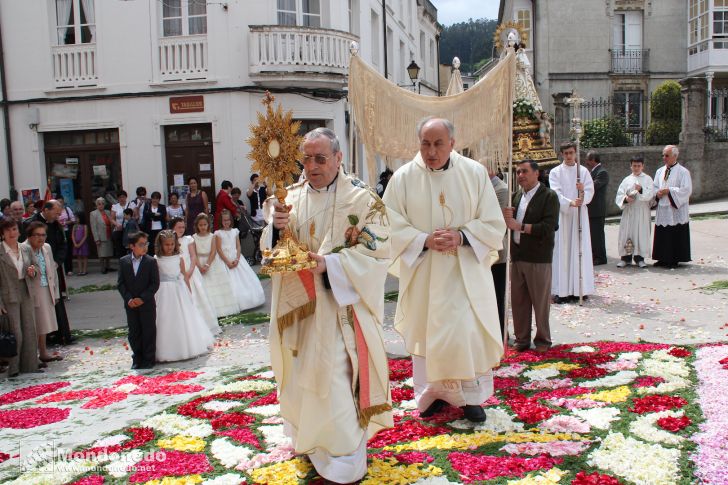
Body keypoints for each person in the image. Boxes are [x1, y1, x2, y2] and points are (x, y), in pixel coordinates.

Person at [263, 127, 392, 483]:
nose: (312, 165)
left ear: (338, 158)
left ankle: (344, 458)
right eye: (306, 158)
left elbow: (379, 251)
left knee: (335, 379)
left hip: (339, 312)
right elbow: (270, 251)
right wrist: (276, 230)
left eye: (321, 158)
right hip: (300, 310)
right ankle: (312, 443)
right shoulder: (289, 198)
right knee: (303, 379)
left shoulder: (363, 200)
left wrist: (329, 265)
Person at [383, 117, 506, 423]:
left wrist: (462, 236)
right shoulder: (403, 179)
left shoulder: (474, 174)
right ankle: (429, 396)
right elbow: (385, 227)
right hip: (425, 273)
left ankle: (470, 397)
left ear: (452, 143)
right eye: (425, 143)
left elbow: (493, 222)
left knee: (465, 334)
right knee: (428, 334)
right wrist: (423, 240)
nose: (431, 151)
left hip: (464, 274)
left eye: (438, 143)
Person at [503, 160, 560, 352]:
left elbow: (548, 227)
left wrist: (520, 227)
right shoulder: (516, 197)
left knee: (540, 302)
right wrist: (507, 219)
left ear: (537, 173)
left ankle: (543, 340)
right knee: (519, 302)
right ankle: (522, 339)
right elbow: (509, 225)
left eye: (524, 171)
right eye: (518, 171)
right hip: (518, 256)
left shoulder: (549, 196)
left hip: (538, 258)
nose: (520, 175)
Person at [153, 230, 215, 362]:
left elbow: (184, 275)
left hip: (179, 290)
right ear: (160, 245)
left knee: (183, 316)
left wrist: (188, 290)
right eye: (166, 245)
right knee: (165, 318)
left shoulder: (179, 258)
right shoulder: (156, 259)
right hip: (163, 292)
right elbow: (156, 278)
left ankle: (187, 346)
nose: (169, 247)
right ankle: (166, 349)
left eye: (171, 244)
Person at [23, 200, 73, 345]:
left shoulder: (56, 224)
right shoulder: (31, 222)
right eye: (56, 213)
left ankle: (62, 334)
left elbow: (63, 244)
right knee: (40, 308)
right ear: (46, 209)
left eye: (59, 213)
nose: (58, 216)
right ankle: (45, 339)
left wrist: (57, 261)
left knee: (55, 300)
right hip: (36, 269)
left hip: (53, 265)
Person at [550, 142, 595, 304]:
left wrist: (582, 191)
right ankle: (561, 290)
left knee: (579, 249)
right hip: (564, 215)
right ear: (562, 154)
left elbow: (590, 191)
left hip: (579, 215)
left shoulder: (582, 172)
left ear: (575, 153)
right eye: (565, 153)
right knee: (562, 250)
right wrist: (570, 202)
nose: (568, 156)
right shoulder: (555, 172)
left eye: (571, 153)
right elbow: (555, 193)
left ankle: (579, 288)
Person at [0, 218, 39, 377]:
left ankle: (30, 366)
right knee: (15, 332)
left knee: (30, 329)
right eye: (8, 230)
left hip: (26, 289)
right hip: (8, 293)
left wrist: (32, 271)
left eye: (14, 229)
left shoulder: (26, 248)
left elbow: (36, 267)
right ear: (2, 233)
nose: (12, 233)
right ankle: (13, 368)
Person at [170, 217, 220, 335]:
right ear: (173, 228)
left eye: (183, 227)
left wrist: (191, 270)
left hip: (190, 270)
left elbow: (193, 256)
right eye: (179, 227)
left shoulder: (188, 239)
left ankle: (205, 326)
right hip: (177, 272)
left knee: (198, 295)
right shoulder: (170, 240)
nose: (181, 229)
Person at [118, 231, 160, 370]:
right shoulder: (124, 261)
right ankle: (137, 358)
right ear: (132, 246)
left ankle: (149, 358)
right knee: (134, 331)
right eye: (140, 245)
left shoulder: (150, 262)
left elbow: (154, 284)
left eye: (146, 244)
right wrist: (129, 298)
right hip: (131, 304)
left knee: (148, 330)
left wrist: (142, 298)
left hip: (146, 303)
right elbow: (121, 283)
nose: (144, 247)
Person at [23, 221, 63, 365]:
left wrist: (56, 292)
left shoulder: (46, 247)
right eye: (37, 235)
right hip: (33, 291)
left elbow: (52, 270)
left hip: (47, 287)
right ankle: (32, 355)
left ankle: (43, 352)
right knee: (33, 324)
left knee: (44, 323)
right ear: (29, 236)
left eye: (43, 235)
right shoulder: (24, 248)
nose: (41, 238)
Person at [215, 209, 264, 311]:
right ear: (221, 221)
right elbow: (219, 249)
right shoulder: (218, 233)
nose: (226, 222)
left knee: (244, 279)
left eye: (228, 220)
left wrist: (237, 259)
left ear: (231, 220)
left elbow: (238, 246)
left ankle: (248, 300)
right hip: (225, 259)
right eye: (224, 220)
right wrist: (227, 262)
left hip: (236, 257)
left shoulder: (235, 231)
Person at [652, 145, 692, 268]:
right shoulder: (659, 171)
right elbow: (654, 186)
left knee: (674, 233)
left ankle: (674, 258)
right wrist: (657, 193)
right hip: (663, 208)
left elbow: (686, 190)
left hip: (675, 208)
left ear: (675, 156)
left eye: (667, 155)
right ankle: (662, 258)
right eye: (663, 155)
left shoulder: (683, 172)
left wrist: (669, 191)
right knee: (663, 233)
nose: (664, 158)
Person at [192, 213, 239, 317]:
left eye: (205, 224)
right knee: (204, 287)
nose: (203, 227)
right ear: (197, 226)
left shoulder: (212, 236)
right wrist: (200, 266)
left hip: (211, 262)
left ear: (208, 225)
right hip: (199, 261)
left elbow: (213, 252)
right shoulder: (193, 237)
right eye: (200, 225)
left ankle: (220, 311)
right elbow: (194, 253)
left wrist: (207, 265)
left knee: (216, 286)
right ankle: (207, 312)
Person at [616, 156, 654, 268]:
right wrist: (625, 199)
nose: (636, 168)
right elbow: (620, 194)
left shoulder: (648, 179)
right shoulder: (627, 180)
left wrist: (641, 190)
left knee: (640, 234)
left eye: (638, 166)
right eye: (634, 166)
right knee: (627, 234)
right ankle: (626, 258)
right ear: (630, 166)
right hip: (629, 211)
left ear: (642, 166)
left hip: (641, 211)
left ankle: (640, 258)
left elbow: (650, 194)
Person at [488, 166, 509, 336]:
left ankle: (502, 332)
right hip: (483, 251)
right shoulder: (482, 187)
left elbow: (496, 218)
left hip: (497, 250)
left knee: (497, 294)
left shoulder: (500, 189)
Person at [585, 151, 609, 266]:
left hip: (597, 210)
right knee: (592, 235)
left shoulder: (602, 172)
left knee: (597, 235)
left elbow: (594, 186)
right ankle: (594, 256)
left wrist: (582, 186)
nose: (587, 162)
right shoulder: (593, 171)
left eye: (588, 160)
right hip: (591, 210)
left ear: (593, 160)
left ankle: (601, 257)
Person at [90, 197, 115, 274]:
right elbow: (93, 227)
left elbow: (111, 221)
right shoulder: (93, 214)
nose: (101, 205)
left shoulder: (107, 212)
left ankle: (108, 266)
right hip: (100, 236)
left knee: (108, 252)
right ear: (96, 205)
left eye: (102, 204)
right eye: (99, 204)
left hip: (108, 234)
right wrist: (96, 239)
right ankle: (102, 267)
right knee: (102, 253)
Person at [57, 195, 76, 276]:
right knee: (61, 251)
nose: (60, 203)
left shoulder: (67, 209)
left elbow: (73, 219)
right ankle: (62, 269)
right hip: (59, 232)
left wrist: (65, 223)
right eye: (58, 202)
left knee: (68, 250)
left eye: (61, 202)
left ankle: (69, 269)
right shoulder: (55, 211)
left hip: (67, 231)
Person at [111, 190, 132, 258]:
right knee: (120, 249)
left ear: (126, 197)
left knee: (129, 247)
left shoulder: (131, 204)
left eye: (123, 197)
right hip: (119, 229)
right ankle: (122, 264)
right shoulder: (115, 206)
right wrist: (117, 224)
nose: (122, 199)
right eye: (120, 197)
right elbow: (112, 219)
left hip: (128, 229)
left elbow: (135, 216)